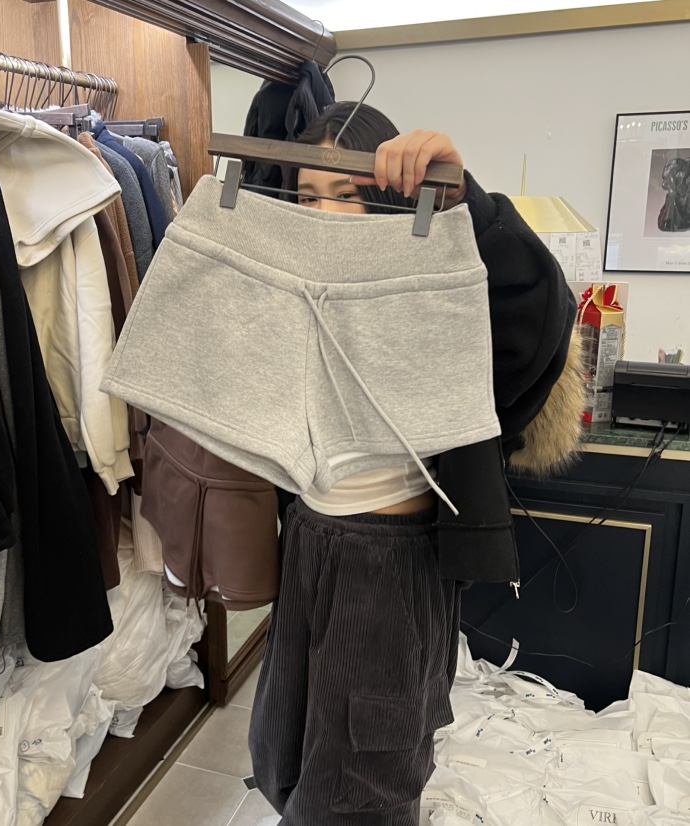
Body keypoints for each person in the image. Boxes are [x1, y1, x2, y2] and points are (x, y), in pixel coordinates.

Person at [248, 102, 585, 825]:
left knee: (361, 781)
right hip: (308, 540)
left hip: (390, 558)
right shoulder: (300, 292)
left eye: (346, 194)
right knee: (283, 751)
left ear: (388, 198)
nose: (324, 214)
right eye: (308, 197)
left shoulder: (434, 288)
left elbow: (535, 312)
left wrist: (467, 201)